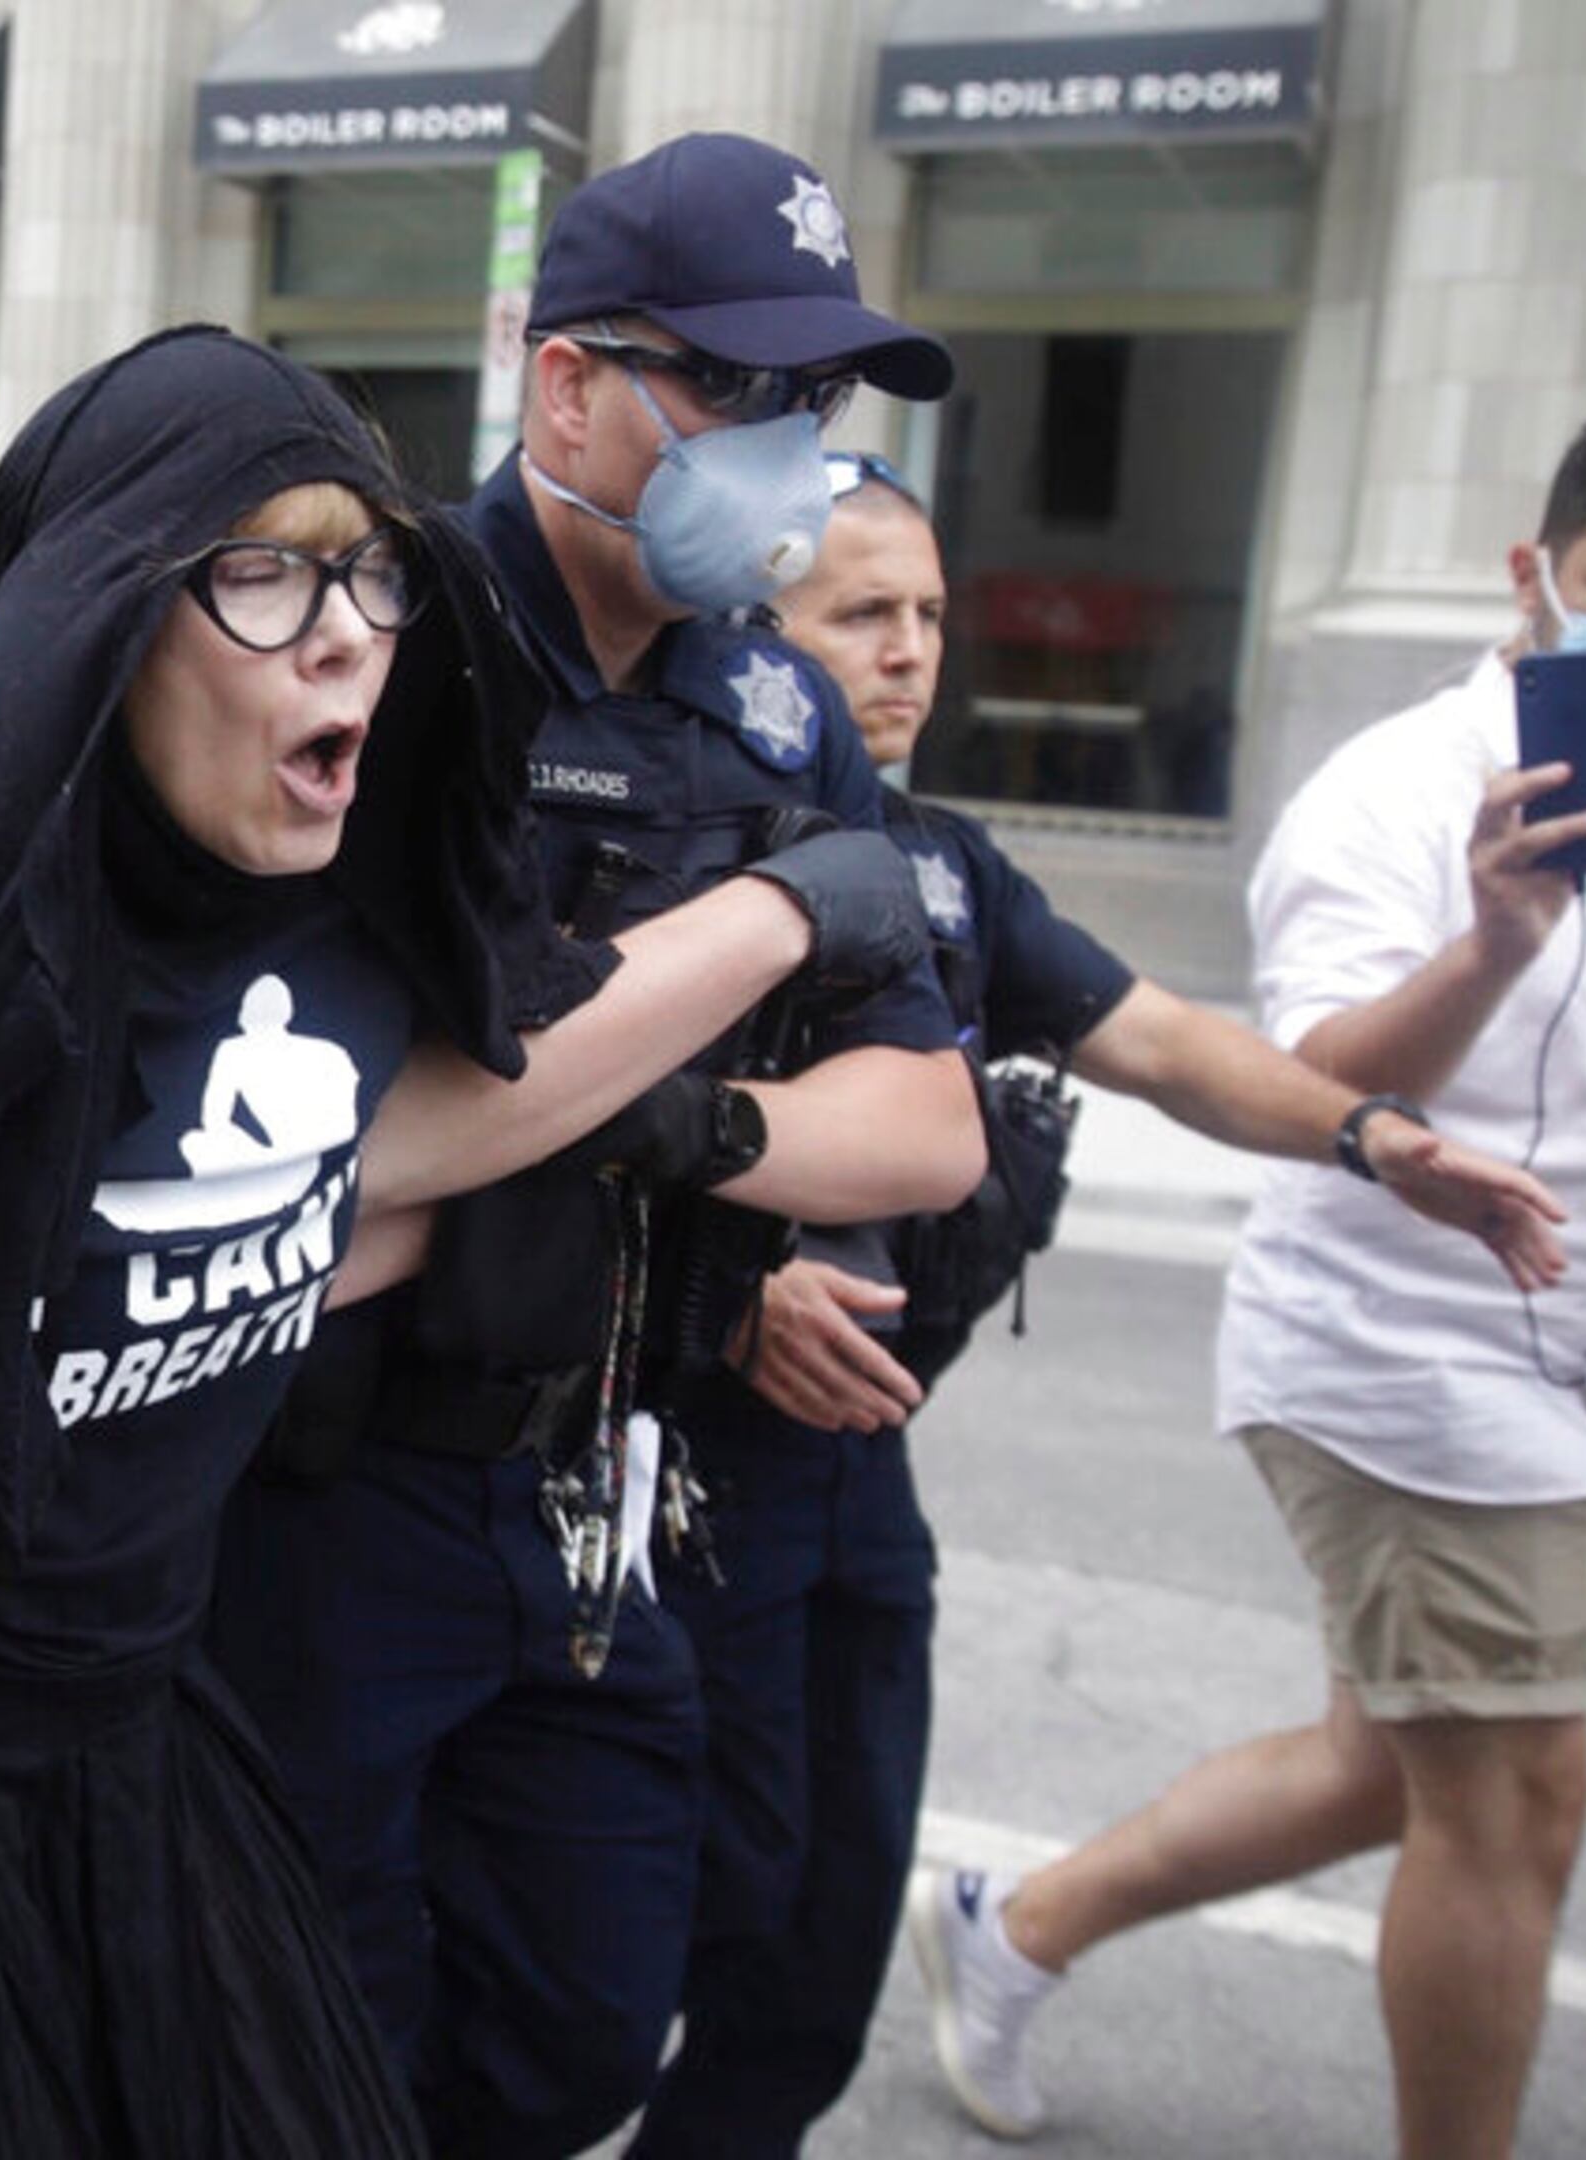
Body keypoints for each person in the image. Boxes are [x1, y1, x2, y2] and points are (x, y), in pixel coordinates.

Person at [0, 324, 941, 2159]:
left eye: (372, 571)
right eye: (260, 572)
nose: (343, 629)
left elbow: (457, 1113)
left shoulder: (361, 942)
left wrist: (765, 929)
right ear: (103, 631)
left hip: (139, 1748)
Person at [618, 457, 1568, 2158]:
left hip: (857, 1491)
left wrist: (1373, 1138)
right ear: (755, 631)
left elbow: (1169, 1044)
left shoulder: (947, 868)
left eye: (927, 616)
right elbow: (545, 1128)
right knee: (632, 1955)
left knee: (817, 1965)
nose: (910, 653)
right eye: (863, 616)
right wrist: (728, 1286)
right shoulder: (648, 845)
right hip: (663, 1486)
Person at [204, 131, 992, 2160]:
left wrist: (644, 1116)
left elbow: (921, 1127)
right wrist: (717, 1056)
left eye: (815, 403)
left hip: (594, 1478)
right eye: (736, 389)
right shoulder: (379, 634)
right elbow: (344, 1135)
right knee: (314, 2048)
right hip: (331, 1484)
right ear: (569, 384)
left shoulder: (774, 714)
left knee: (580, 2025)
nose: (790, 446)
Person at [909, 400, 1586, 2158]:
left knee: (1386, 1767)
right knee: (1515, 1797)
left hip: (1579, 1336)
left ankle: (1009, 1930)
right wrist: (1498, 940)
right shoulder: (1400, 790)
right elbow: (1323, 1069)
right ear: (1537, 576)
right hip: (1403, 1348)